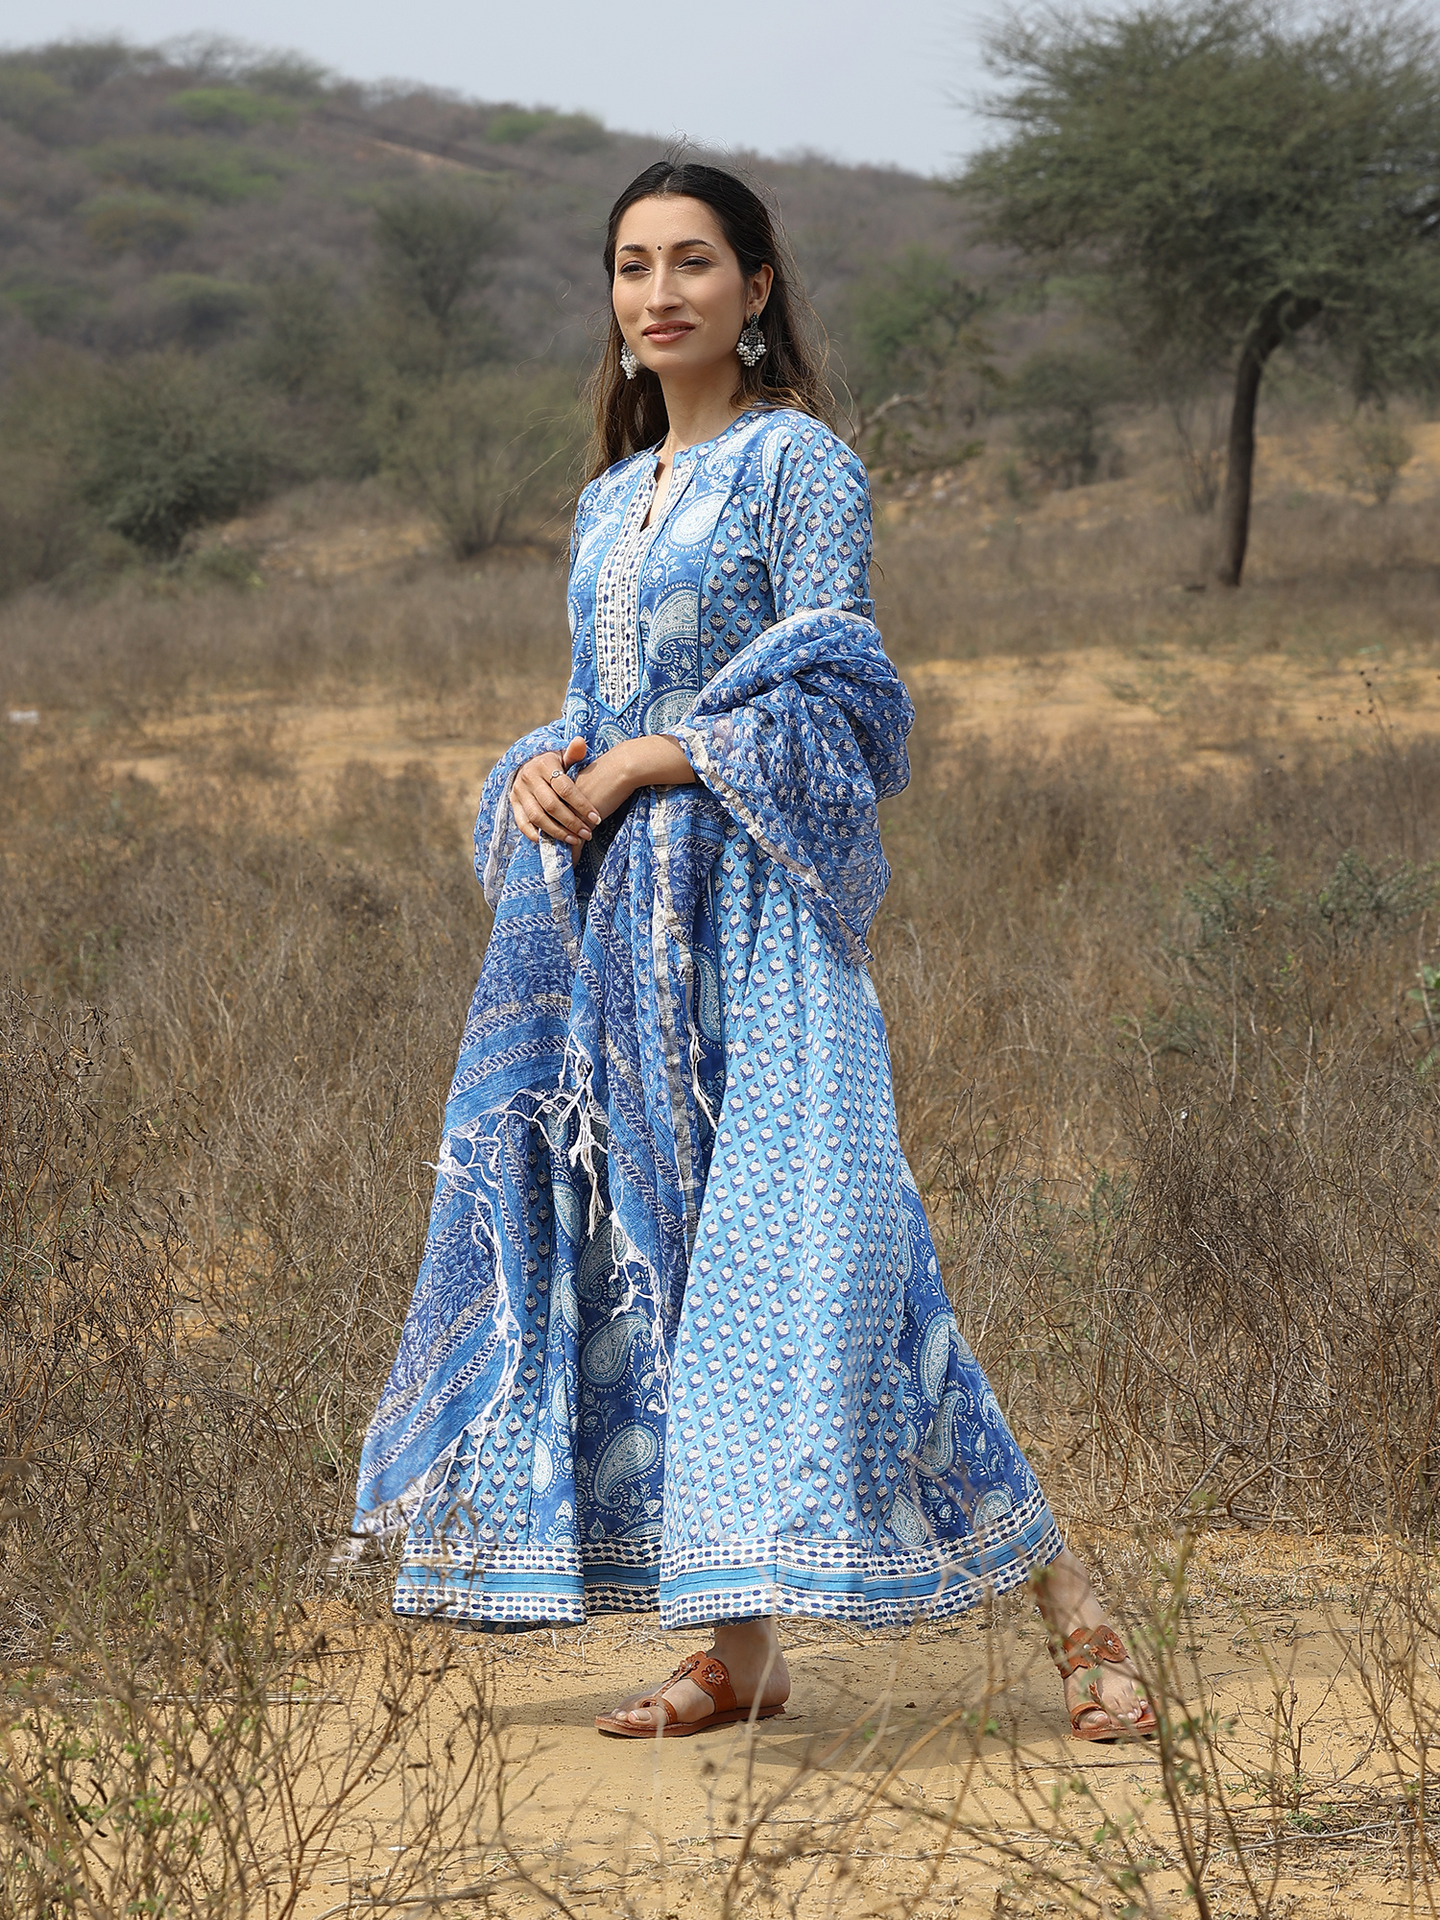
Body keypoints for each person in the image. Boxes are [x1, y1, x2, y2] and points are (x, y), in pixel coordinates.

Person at [341, 160, 1156, 1744]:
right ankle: (740, 1651)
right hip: (619, 942)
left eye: (695, 262)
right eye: (633, 266)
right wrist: (545, 761)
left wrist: (666, 761)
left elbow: (843, 699)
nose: (660, 293)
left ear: (758, 285)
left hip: (762, 922)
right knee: (667, 1258)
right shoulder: (607, 495)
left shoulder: (801, 469)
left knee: (848, 1262)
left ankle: (1079, 1605)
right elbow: (596, 697)